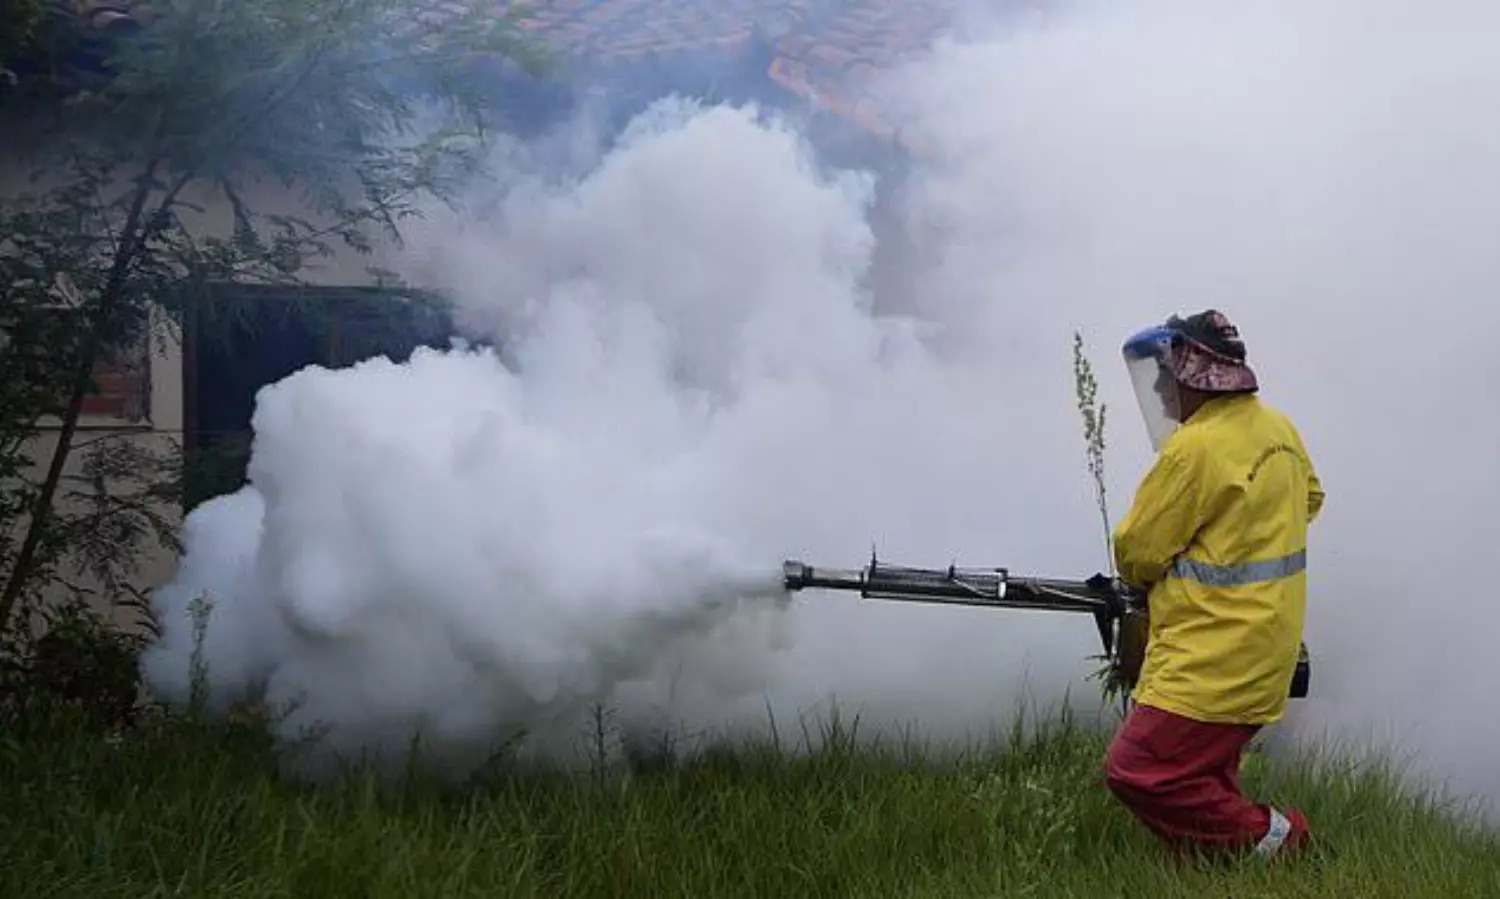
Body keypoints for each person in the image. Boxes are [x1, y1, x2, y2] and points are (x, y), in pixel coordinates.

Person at [1102, 309, 1325, 862]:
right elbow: (1311, 498)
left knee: (1138, 769)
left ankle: (1287, 844)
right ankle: (1216, 865)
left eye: (1165, 380)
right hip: (1266, 647)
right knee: (1204, 774)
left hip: (1211, 655)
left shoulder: (1195, 449)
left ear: (1196, 376)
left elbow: (1136, 551)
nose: (1161, 394)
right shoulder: (1278, 429)